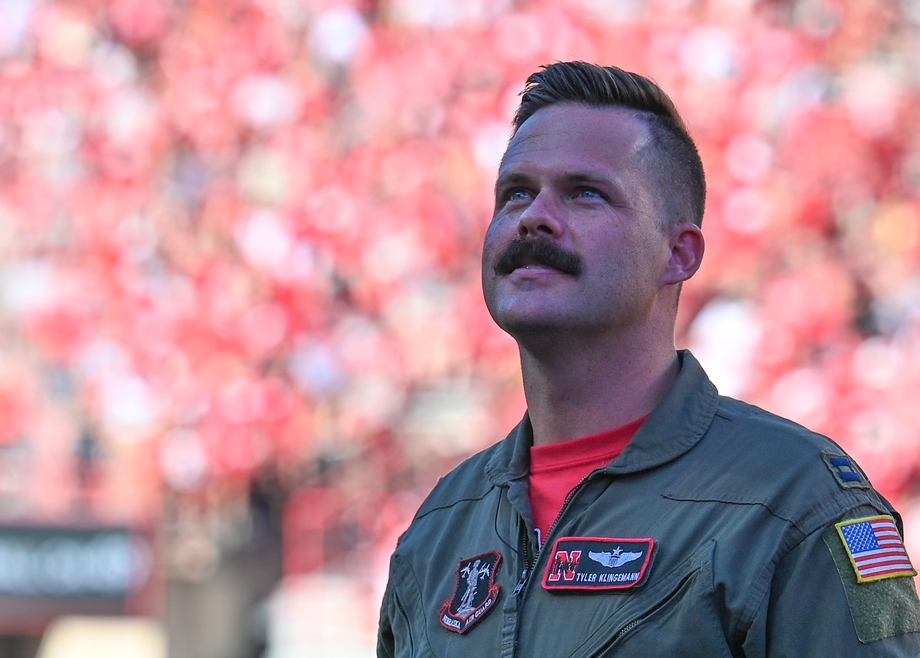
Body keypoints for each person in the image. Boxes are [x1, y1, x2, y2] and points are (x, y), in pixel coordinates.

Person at [376, 61, 920, 656]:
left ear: (678, 254)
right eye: (515, 193)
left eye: (586, 193)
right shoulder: (439, 527)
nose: (533, 215)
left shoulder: (794, 501)